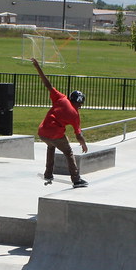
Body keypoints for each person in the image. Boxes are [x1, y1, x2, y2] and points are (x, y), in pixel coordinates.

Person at [32, 57, 88, 188]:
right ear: (78, 102)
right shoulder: (75, 115)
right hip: (55, 134)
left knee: (51, 146)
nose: (80, 106)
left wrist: (38, 68)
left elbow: (48, 85)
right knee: (68, 153)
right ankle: (76, 179)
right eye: (81, 104)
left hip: (42, 133)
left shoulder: (61, 98)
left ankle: (48, 174)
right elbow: (78, 134)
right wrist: (83, 143)